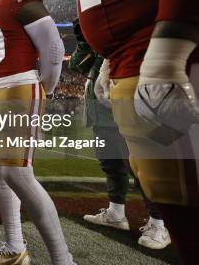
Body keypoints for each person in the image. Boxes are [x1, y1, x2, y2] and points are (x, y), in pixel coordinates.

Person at [29, 0, 199, 262]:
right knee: (170, 191)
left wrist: (169, 51)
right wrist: (108, 55)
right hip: (127, 59)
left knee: (188, 192)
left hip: (162, 56)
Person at [0, 0, 73, 265]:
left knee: (17, 172)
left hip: (17, 86)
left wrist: (47, 87)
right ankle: (15, 246)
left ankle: (63, 260)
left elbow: (53, 46)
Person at [69, 20, 170, 249]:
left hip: (129, 99)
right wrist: (84, 41)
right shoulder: (99, 38)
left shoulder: (133, 28)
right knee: (110, 162)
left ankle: (159, 224)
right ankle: (116, 213)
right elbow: (77, 65)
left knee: (140, 166)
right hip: (101, 107)